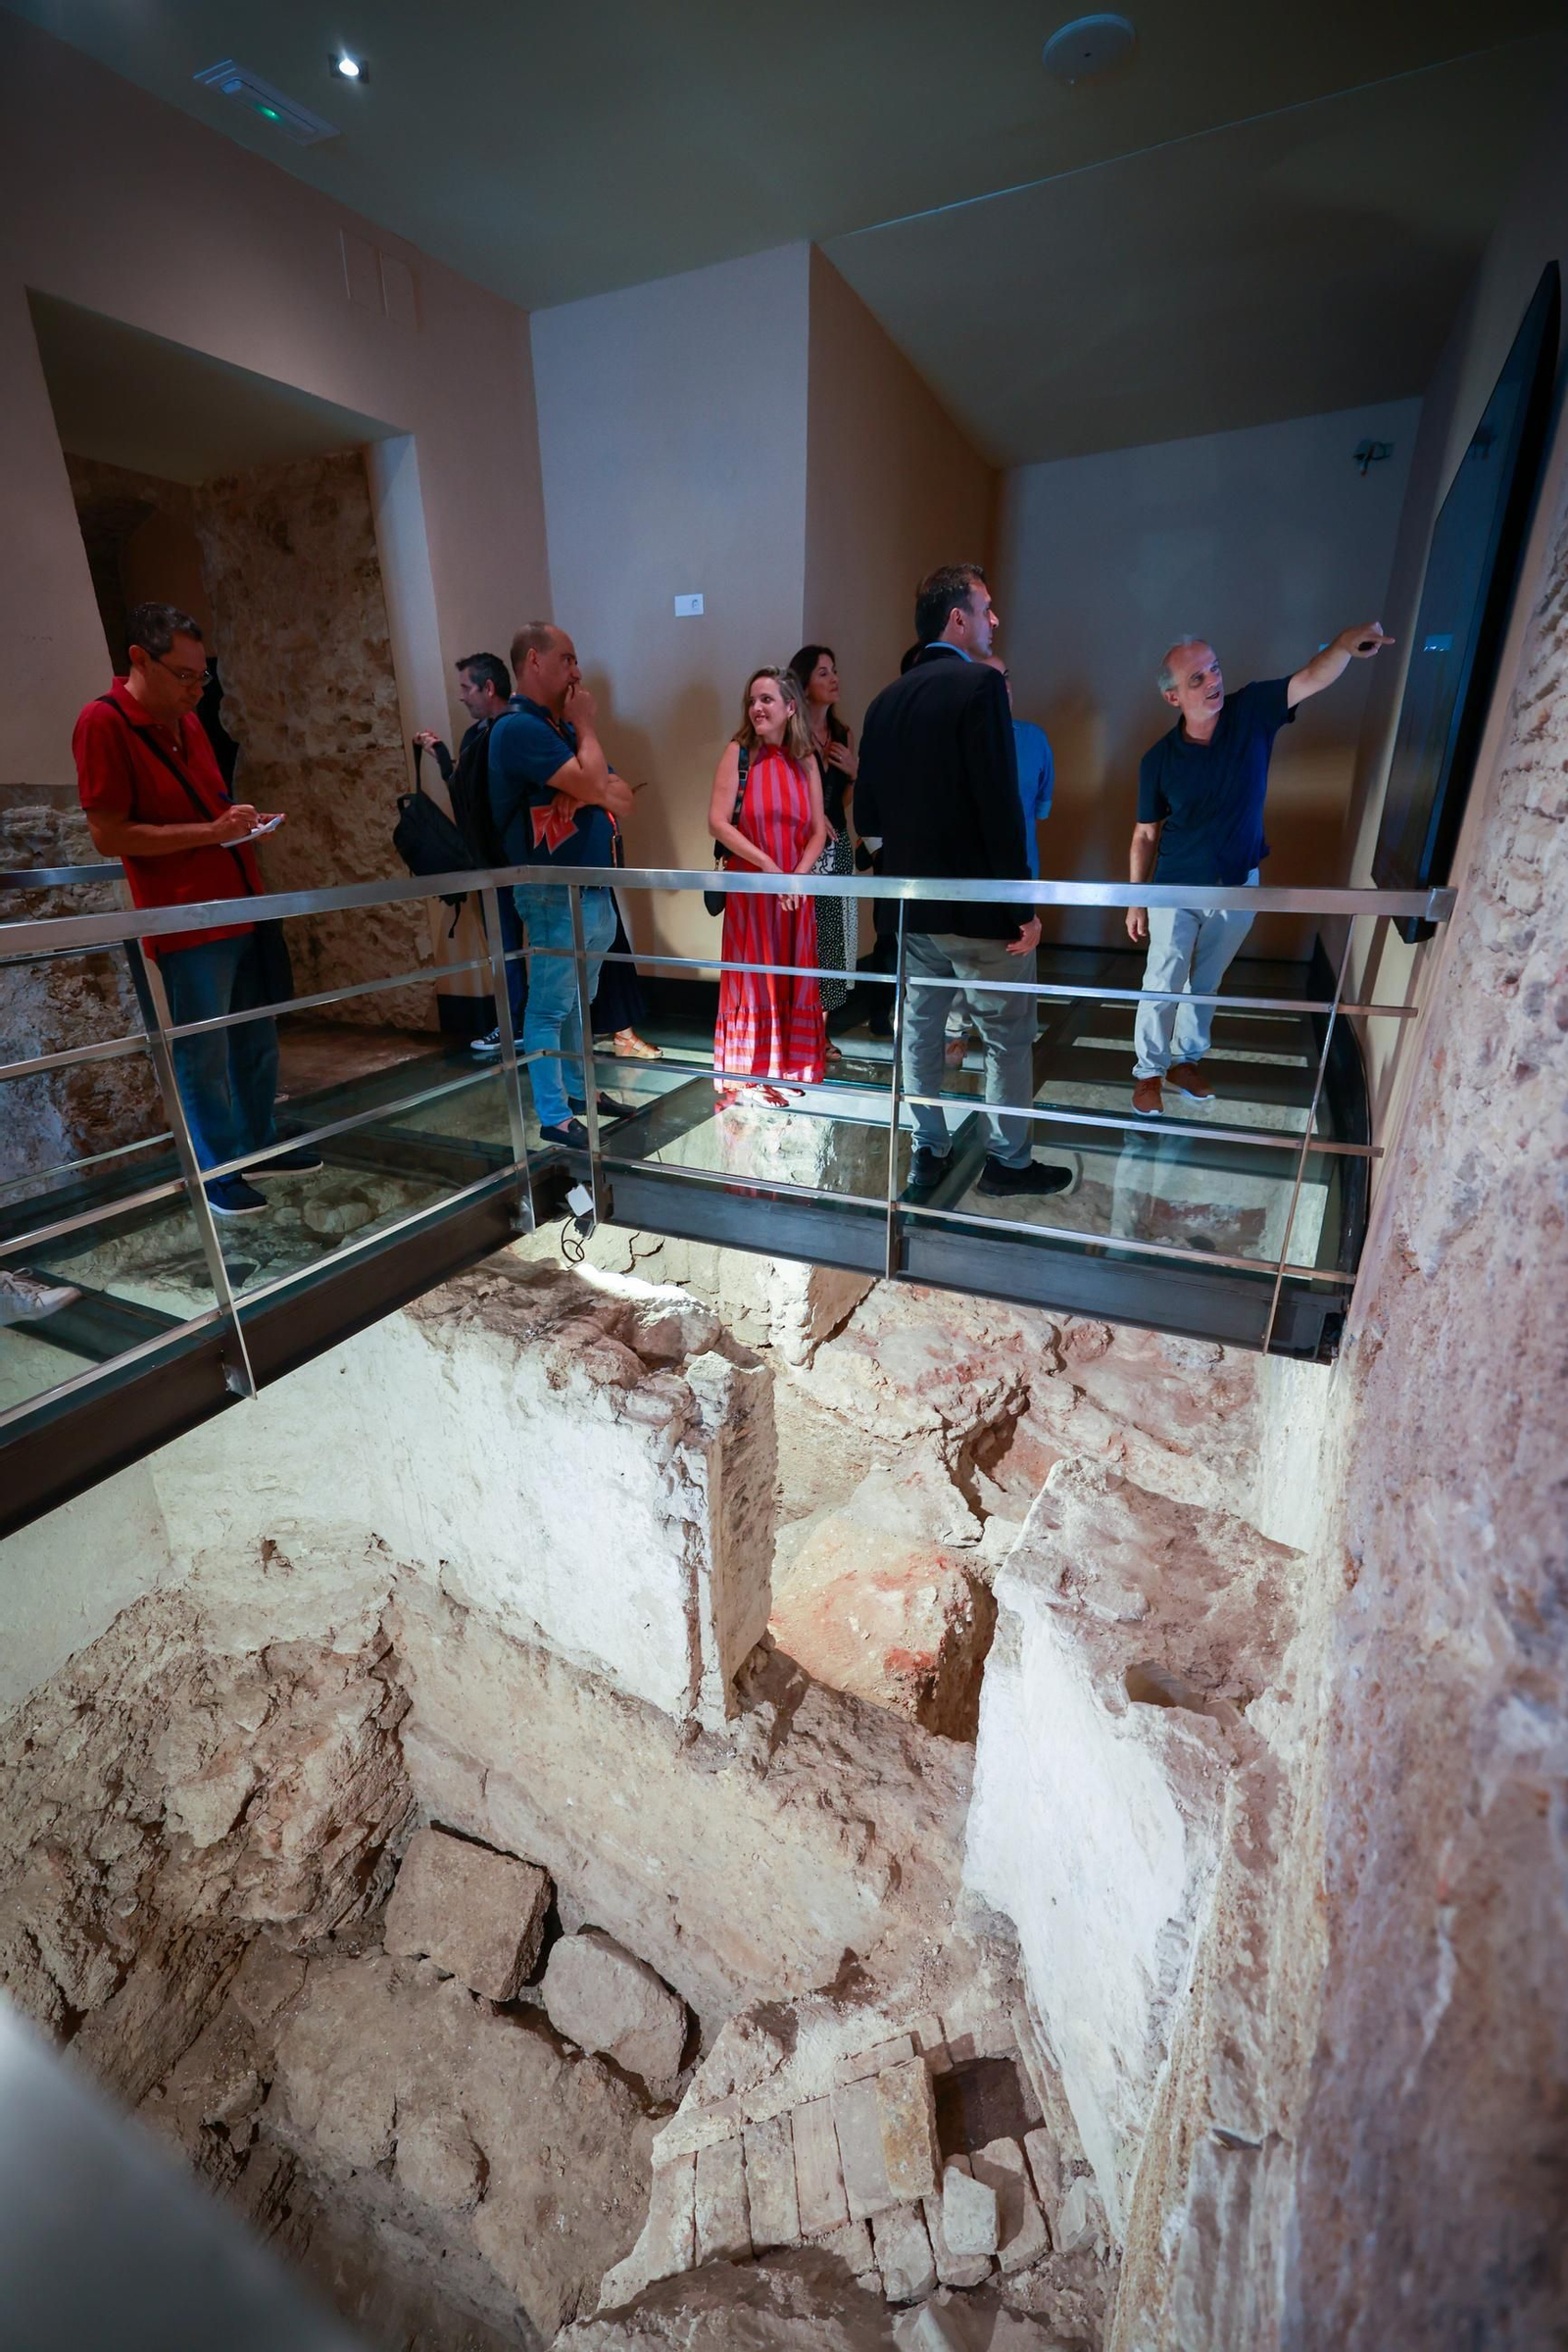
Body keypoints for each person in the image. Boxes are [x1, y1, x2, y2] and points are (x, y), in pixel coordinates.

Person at [72, 602, 320, 1218]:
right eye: (182, 675)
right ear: (138, 658)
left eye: (200, 676)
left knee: (256, 1038)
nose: (194, 688)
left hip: (240, 901)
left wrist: (237, 827)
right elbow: (112, 835)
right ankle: (217, 1170)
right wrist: (210, 833)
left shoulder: (190, 721)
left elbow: (205, 813)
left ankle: (257, 1142)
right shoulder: (103, 724)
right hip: (186, 919)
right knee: (202, 1051)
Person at [856, 565, 1078, 1201]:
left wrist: (900, 871)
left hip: (913, 912)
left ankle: (930, 1147)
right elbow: (999, 809)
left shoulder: (883, 701)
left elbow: (866, 816)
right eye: (986, 608)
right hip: (980, 913)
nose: (994, 620)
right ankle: (1008, 1162)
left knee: (921, 1034)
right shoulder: (980, 685)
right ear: (957, 618)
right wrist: (1022, 907)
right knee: (1007, 1038)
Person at [1127, 624, 1394, 1114]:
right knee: (1163, 979)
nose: (1212, 682)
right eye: (1196, 678)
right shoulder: (1159, 760)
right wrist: (1136, 898)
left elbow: (1311, 678)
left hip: (1239, 885)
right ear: (1172, 696)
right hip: (1175, 887)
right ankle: (1148, 1072)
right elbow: (1145, 834)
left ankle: (1185, 1061)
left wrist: (1340, 648)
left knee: (1205, 980)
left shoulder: (1250, 711)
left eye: (1215, 669)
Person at [487, 623, 636, 1148]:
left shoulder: (557, 731)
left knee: (577, 1004)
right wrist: (588, 732)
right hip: (552, 891)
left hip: (589, 890)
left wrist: (589, 787)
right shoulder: (521, 728)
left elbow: (623, 797)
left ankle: (581, 1093)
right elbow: (602, 784)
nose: (577, 672)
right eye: (568, 659)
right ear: (534, 660)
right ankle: (554, 1116)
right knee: (551, 1007)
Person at [708, 667, 828, 1098]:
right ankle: (750, 1075)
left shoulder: (807, 758)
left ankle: (786, 1071)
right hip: (753, 891)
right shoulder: (738, 753)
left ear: (790, 707)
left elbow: (818, 829)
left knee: (791, 975)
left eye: (767, 700)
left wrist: (796, 879)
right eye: (752, 700)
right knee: (755, 978)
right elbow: (718, 823)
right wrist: (768, 867)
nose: (757, 708)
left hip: (794, 894)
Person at [414, 651, 526, 1060]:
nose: (461, 696)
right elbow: (466, 795)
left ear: (488, 687)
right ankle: (515, 1021)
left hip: (517, 858)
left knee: (525, 943)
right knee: (505, 943)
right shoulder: (476, 735)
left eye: (466, 687)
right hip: (490, 861)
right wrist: (444, 758)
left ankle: (523, 1022)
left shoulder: (514, 729)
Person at [947, 654, 1055, 1065]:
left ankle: (1010, 1049)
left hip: (1020, 873)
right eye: (993, 679)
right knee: (963, 959)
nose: (1003, 685)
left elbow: (1040, 807)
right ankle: (956, 1033)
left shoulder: (1034, 740)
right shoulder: (959, 742)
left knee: (1016, 956)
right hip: (968, 877)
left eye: (1006, 676)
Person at [789, 643, 858, 1040]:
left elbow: (843, 798)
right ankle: (797, 1025)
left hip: (837, 846)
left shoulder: (843, 733)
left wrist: (854, 771)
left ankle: (821, 1032)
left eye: (834, 671)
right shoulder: (790, 734)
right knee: (800, 935)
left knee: (832, 937)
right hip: (800, 848)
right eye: (823, 672)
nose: (834, 680)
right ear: (804, 682)